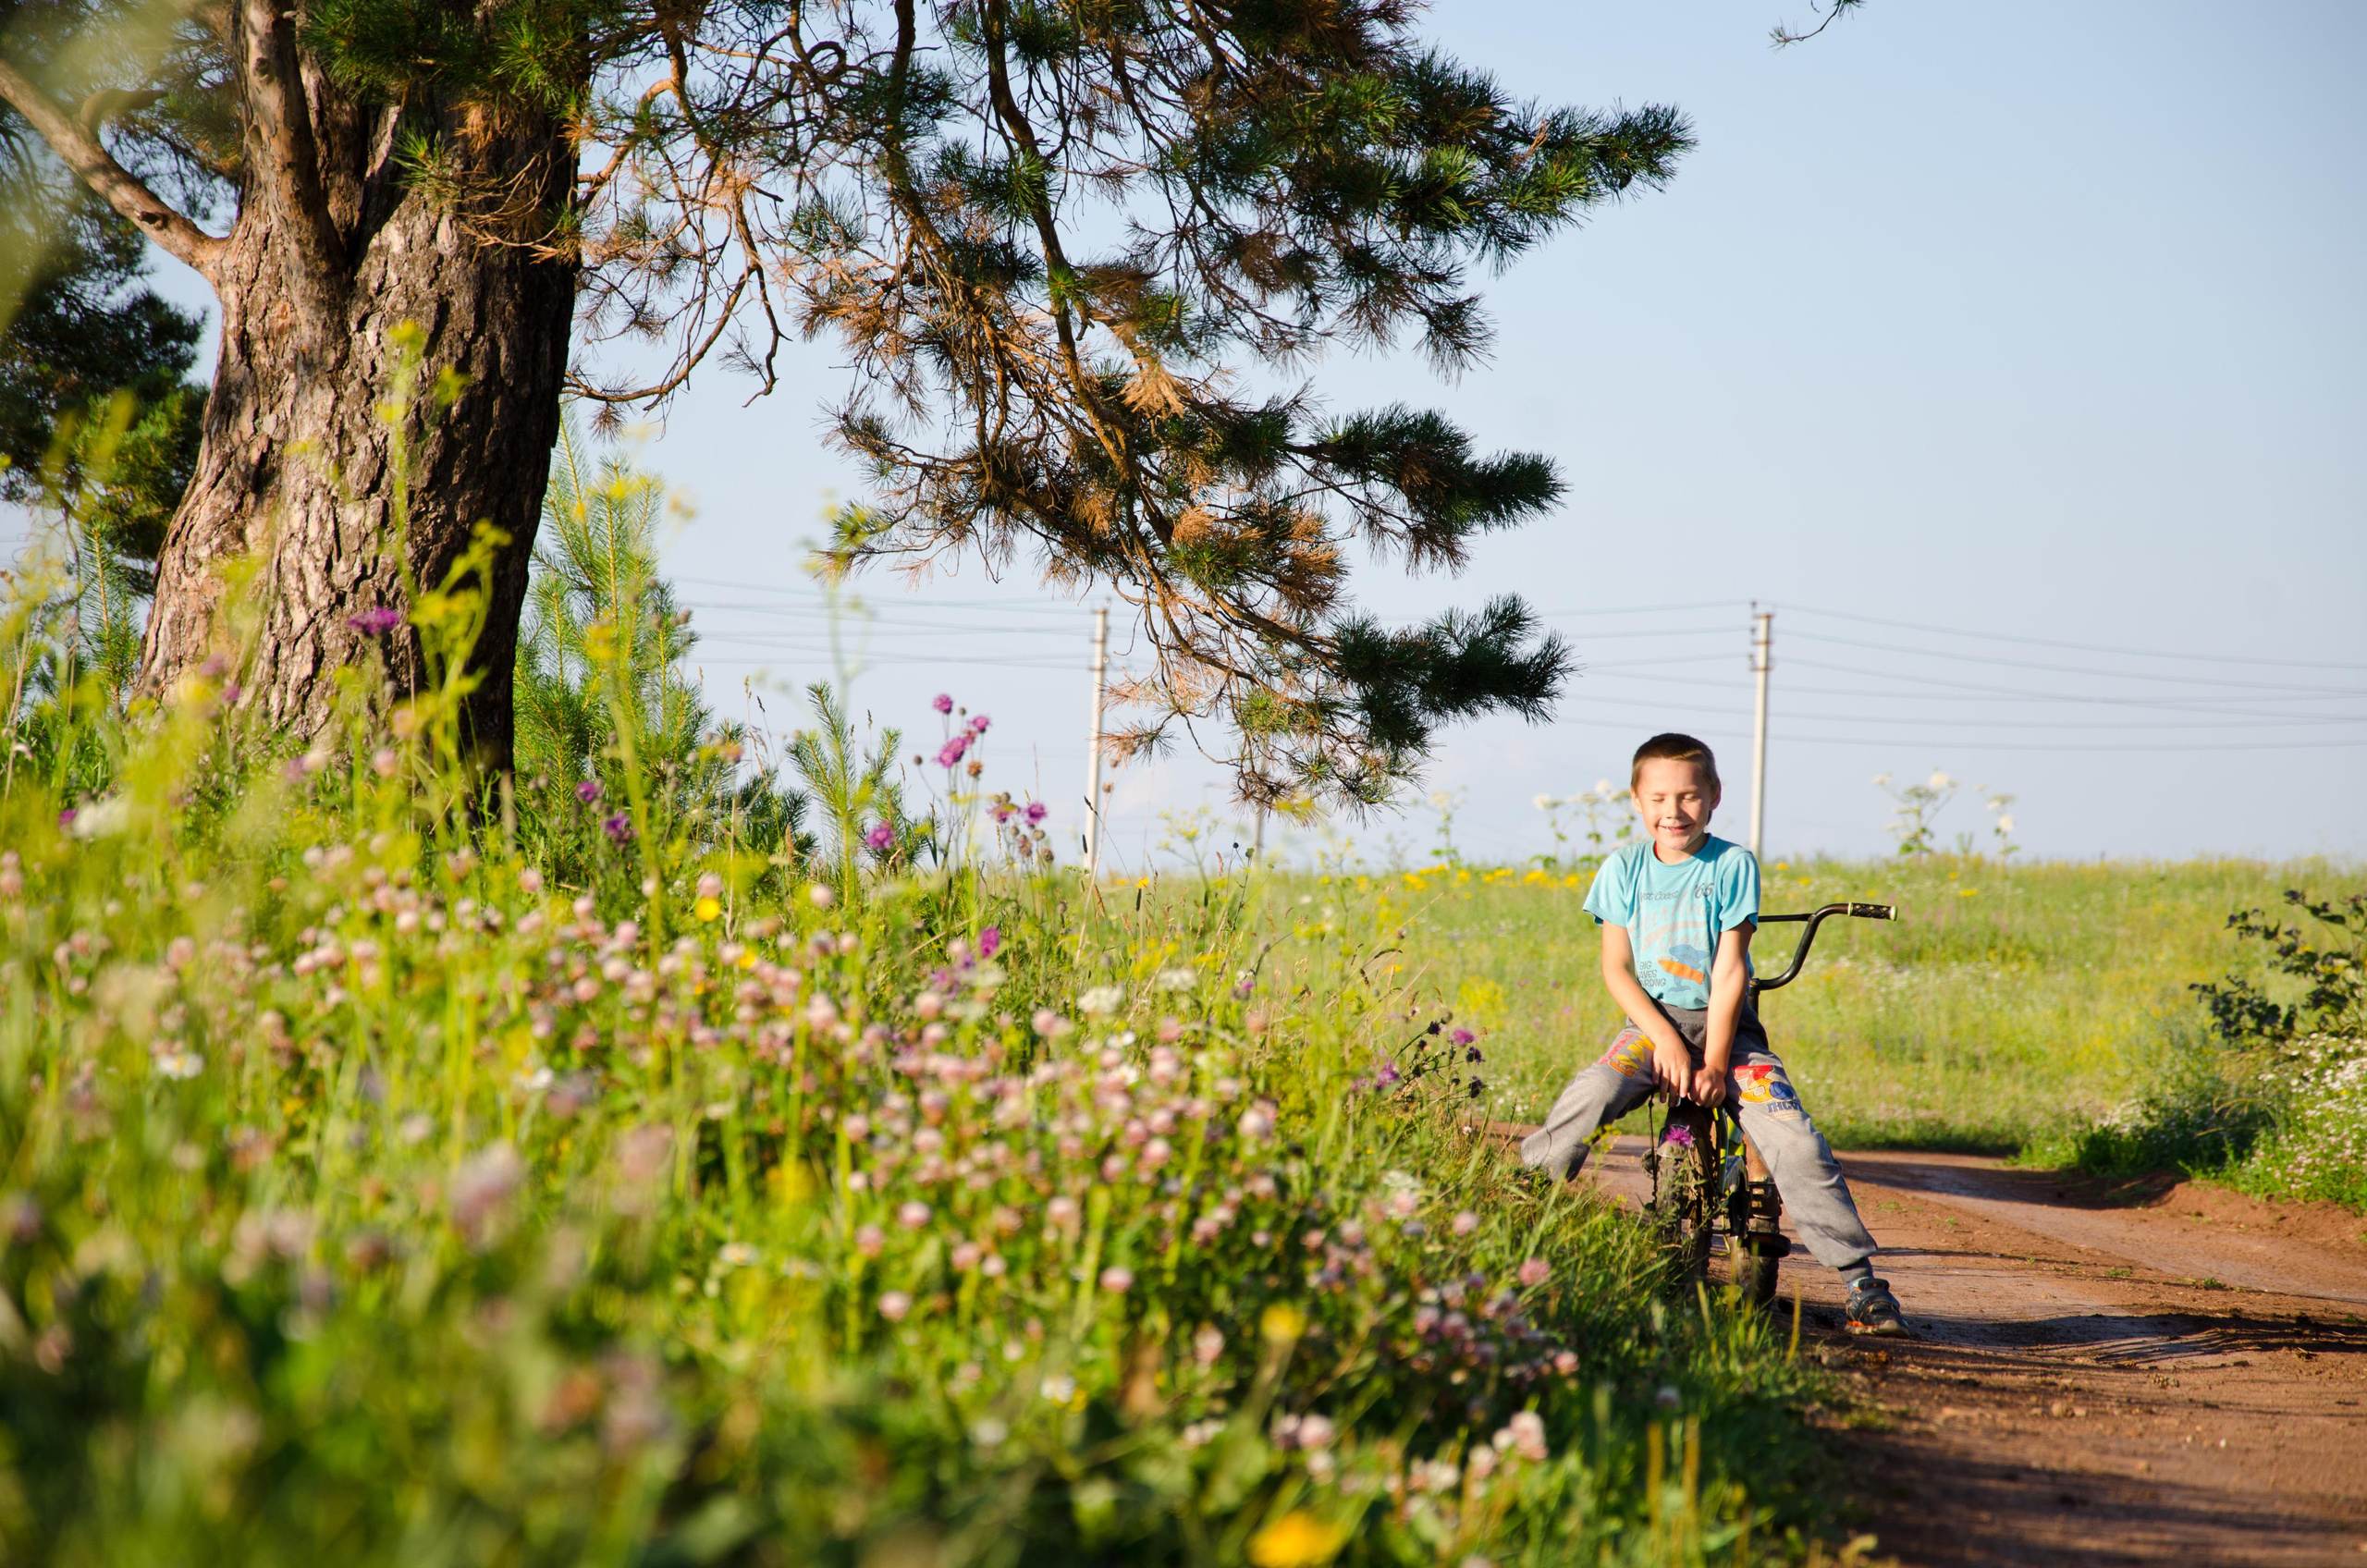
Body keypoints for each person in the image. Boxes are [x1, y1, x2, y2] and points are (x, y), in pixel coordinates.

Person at [1520, 731, 1909, 1337]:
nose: (1673, 811)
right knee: (1594, 1089)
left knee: (1796, 1142)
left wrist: (1715, 1058)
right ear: (1636, 800)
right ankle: (1522, 1204)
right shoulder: (1622, 868)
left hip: (1731, 1032)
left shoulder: (1731, 865)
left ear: (1714, 796)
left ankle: (1862, 1282)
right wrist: (1669, 1042)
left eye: (1688, 796)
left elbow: (1730, 970)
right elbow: (1615, 971)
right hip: (1651, 1025)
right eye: (1658, 798)